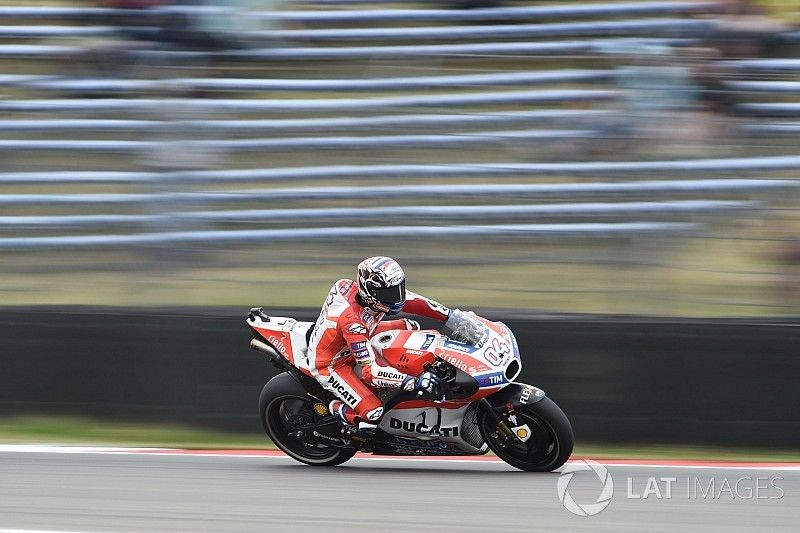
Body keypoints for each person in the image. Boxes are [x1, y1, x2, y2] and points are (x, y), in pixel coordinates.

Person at [306, 256, 452, 428]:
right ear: (370, 292)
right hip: (332, 364)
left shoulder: (359, 292)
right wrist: (412, 381)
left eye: (398, 289)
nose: (397, 297)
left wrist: (451, 315)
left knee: (411, 326)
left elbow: (416, 302)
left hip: (362, 333)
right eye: (390, 293)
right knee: (373, 413)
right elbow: (370, 372)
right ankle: (334, 409)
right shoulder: (353, 324)